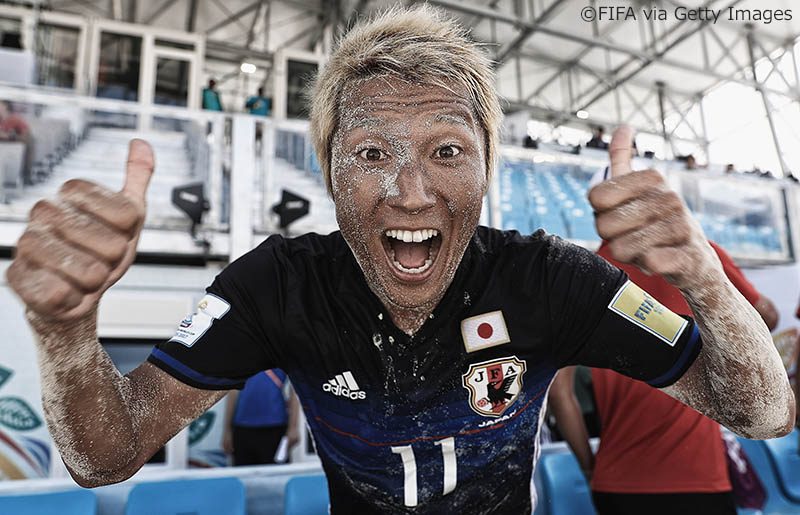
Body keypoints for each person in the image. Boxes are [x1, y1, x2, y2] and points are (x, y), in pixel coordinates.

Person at [5, 7, 793, 513]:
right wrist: (67, 331)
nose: (410, 191)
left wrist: (704, 279)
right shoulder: (277, 284)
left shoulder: (551, 278)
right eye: (372, 151)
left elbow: (762, 412)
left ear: (489, 168)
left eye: (447, 150)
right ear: (328, 173)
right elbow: (105, 456)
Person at [550, 237, 779, 515]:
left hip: (617, 482)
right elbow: (767, 317)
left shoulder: (586, 275)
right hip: (698, 477)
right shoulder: (697, 250)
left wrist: (589, 466)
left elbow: (560, 393)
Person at [222, 369, 300, 465]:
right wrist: (227, 430)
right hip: (242, 428)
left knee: (276, 477)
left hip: (275, 427)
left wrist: (293, 427)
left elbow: (296, 387)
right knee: (244, 477)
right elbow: (233, 389)